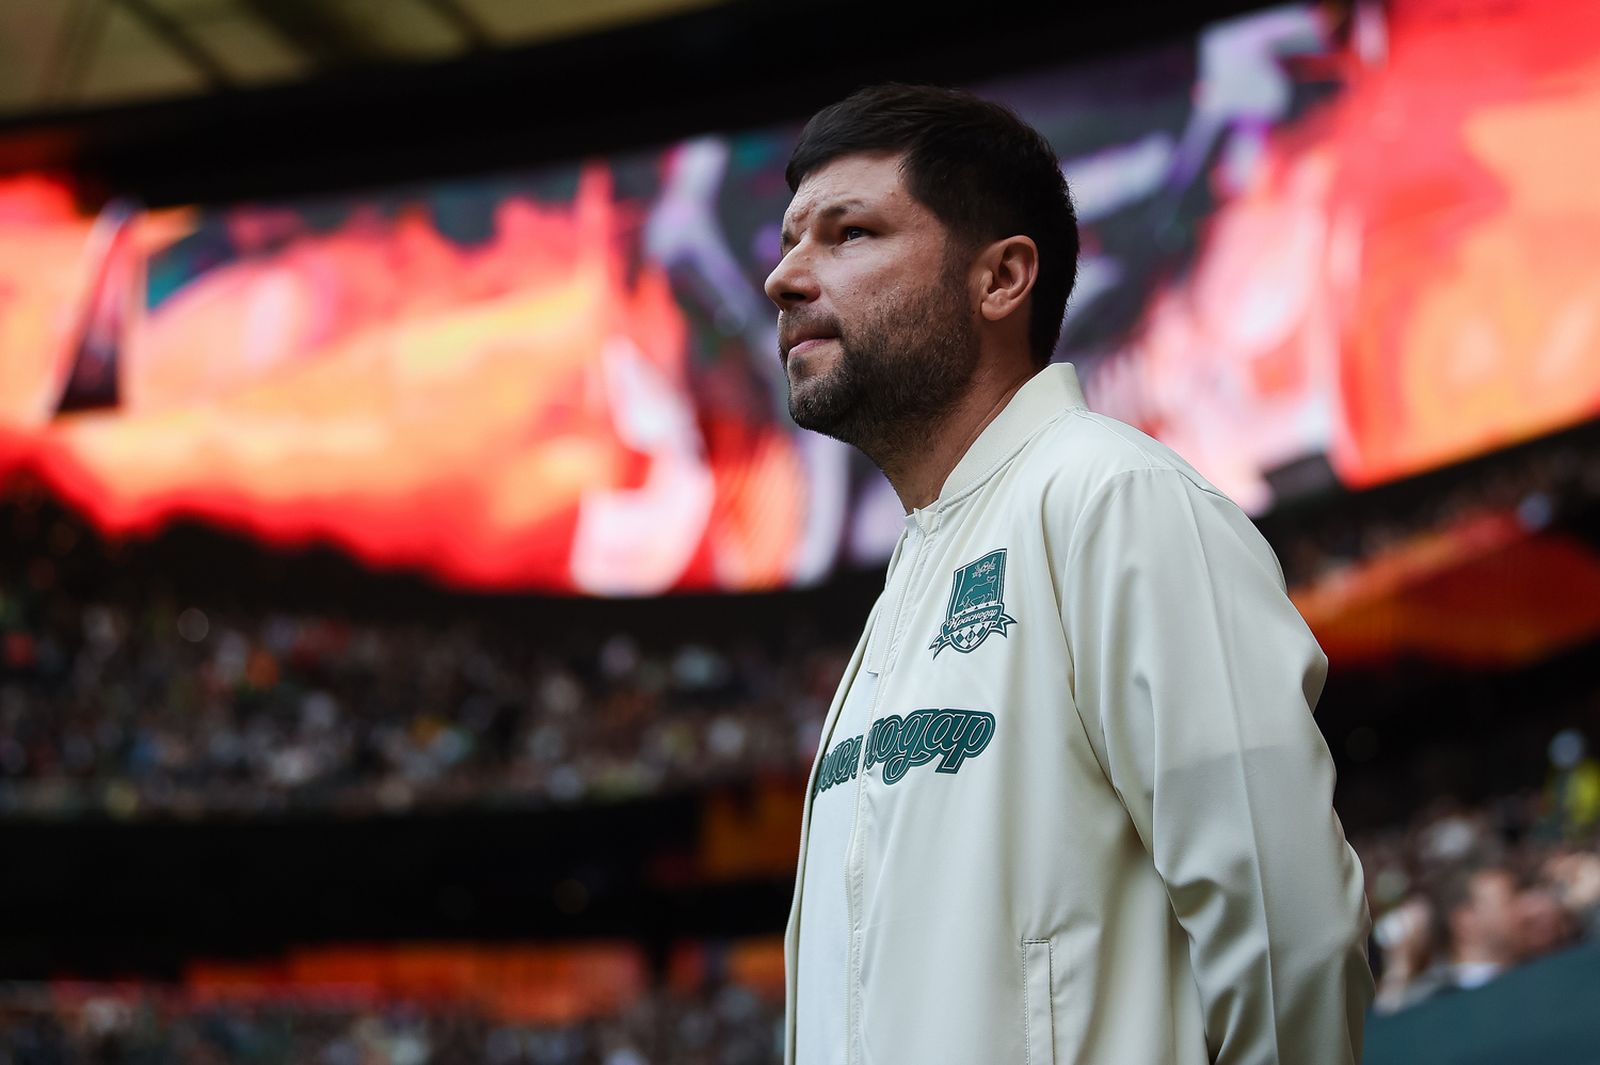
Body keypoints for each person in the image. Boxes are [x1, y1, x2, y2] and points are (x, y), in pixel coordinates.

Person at [763, 84, 1372, 1065]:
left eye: (850, 234)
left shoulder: (1116, 499)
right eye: (791, 240)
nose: (783, 278)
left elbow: (1285, 925)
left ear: (1001, 278)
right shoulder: (908, 582)